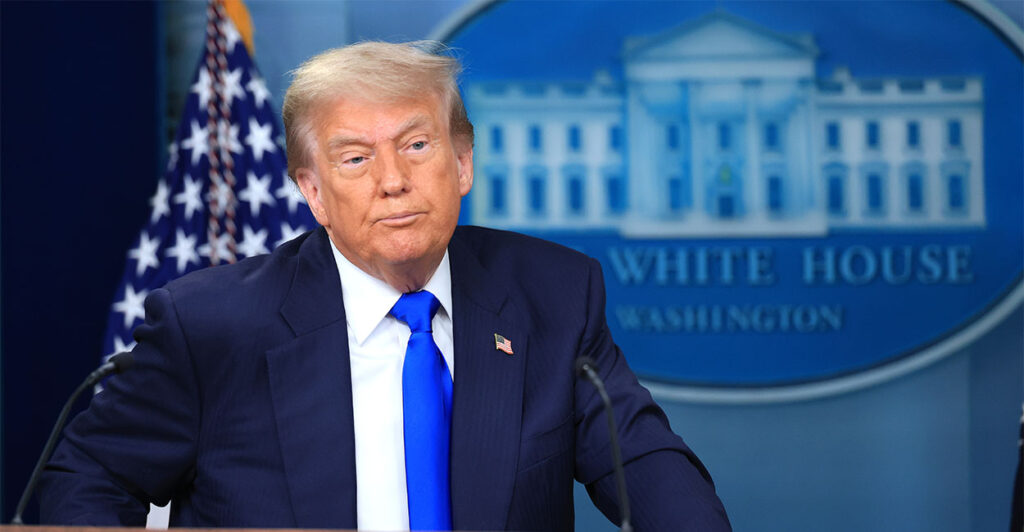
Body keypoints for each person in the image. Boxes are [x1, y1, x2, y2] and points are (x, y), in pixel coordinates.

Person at [40, 41, 730, 531]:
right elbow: (87, 480)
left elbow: (645, 466)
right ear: (312, 191)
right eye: (354, 158)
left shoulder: (553, 295)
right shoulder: (213, 326)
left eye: (417, 145)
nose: (392, 179)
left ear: (462, 162)